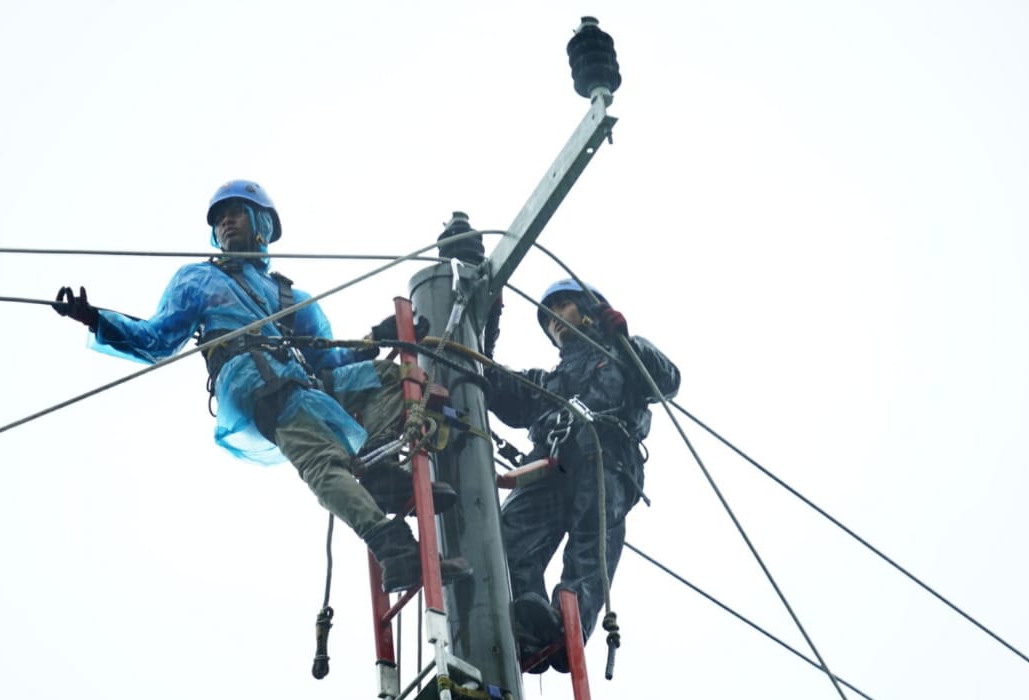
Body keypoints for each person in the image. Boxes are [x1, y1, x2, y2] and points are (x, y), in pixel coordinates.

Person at [51, 178, 467, 593]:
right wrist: (95, 318)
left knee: (387, 380)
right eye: (219, 220)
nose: (225, 224)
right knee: (321, 457)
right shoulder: (198, 280)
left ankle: (377, 470)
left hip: (303, 381)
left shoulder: (291, 297)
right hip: (257, 383)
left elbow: (328, 360)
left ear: (261, 224)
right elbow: (155, 339)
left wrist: (378, 339)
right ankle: (392, 548)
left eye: (235, 213)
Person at [485, 279, 680, 672]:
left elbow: (668, 380)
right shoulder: (548, 382)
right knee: (510, 533)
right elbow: (496, 386)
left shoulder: (623, 354)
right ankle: (530, 617)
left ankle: (565, 624)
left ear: (588, 309)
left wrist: (625, 338)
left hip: (606, 458)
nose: (555, 320)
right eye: (548, 317)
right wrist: (485, 326)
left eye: (562, 308)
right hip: (553, 461)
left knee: (590, 548)